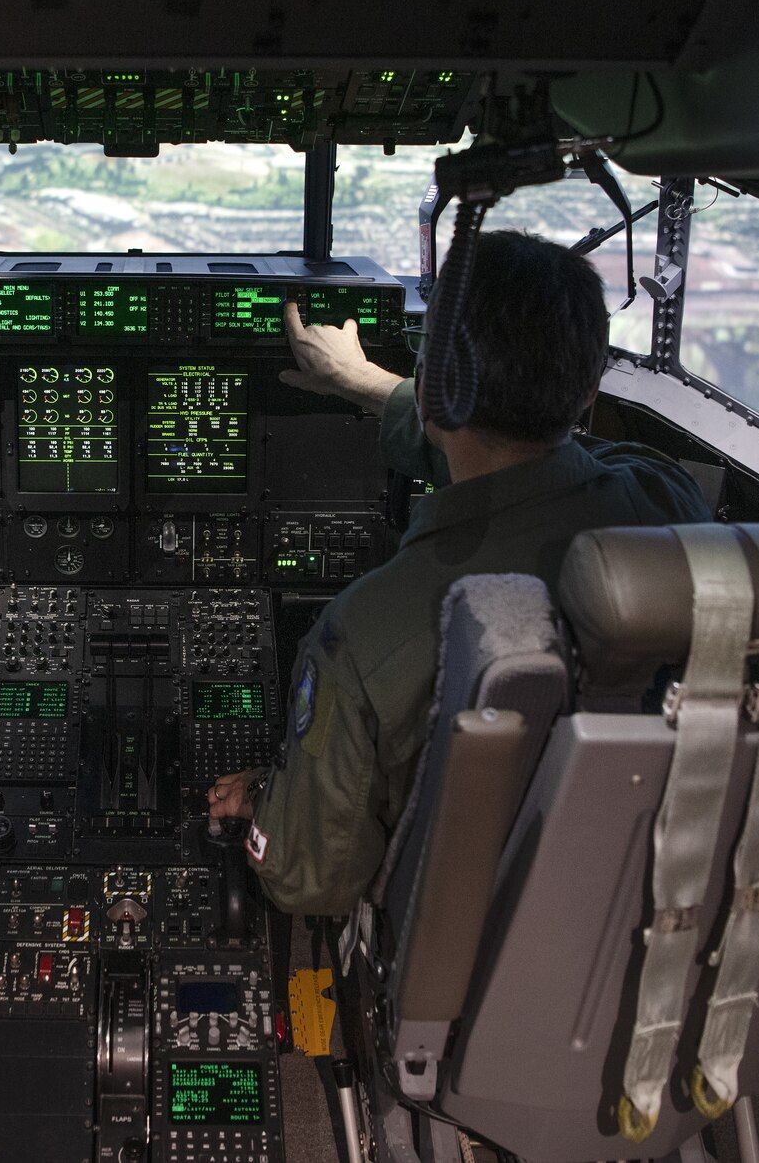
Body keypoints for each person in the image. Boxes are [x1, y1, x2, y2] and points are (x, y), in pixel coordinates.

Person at [207, 231, 709, 917]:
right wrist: (371, 385)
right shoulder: (670, 501)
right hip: (656, 908)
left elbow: (307, 880)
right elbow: (555, 459)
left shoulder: (366, 633)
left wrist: (268, 793)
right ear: (590, 386)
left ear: (434, 393)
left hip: (451, 951)